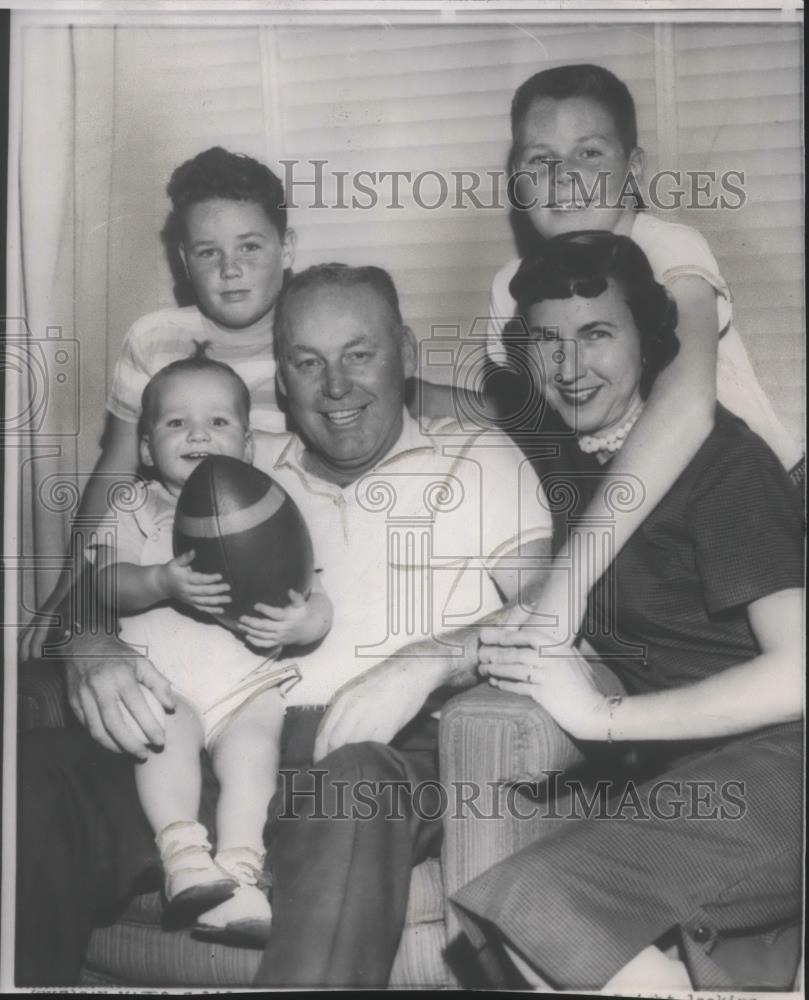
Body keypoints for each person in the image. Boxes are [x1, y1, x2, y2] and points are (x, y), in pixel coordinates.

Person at [17, 263, 553, 987]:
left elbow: (551, 615)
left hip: (386, 755)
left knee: (354, 782)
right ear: (281, 375)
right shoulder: (236, 463)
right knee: (33, 779)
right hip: (217, 739)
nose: (335, 386)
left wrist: (429, 659)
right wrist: (89, 643)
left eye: (359, 355)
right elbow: (107, 570)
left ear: (405, 353)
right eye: (307, 362)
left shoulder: (479, 457)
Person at [451, 232, 804, 992]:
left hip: (786, 769)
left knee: (535, 904)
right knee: (507, 914)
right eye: (546, 342)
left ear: (648, 342)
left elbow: (799, 675)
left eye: (597, 335)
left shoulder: (724, 464)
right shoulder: (569, 465)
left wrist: (601, 719)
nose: (571, 367)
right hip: (694, 776)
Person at [18, 146, 456, 663]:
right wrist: (67, 595)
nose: (231, 270)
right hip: (167, 552)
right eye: (208, 252)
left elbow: (388, 389)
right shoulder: (155, 337)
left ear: (286, 247)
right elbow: (116, 467)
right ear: (184, 260)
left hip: (278, 557)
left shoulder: (307, 333)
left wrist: (508, 405)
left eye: (249, 247)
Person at [483, 62, 803, 658]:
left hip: (758, 513)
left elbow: (685, 408)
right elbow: (522, 420)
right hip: (643, 535)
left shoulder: (668, 246)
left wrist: (566, 583)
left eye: (590, 155)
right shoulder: (511, 287)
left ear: (633, 172)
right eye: (540, 161)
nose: (565, 179)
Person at [90, 347, 332, 943]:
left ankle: (242, 872)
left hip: (246, 681)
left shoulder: (269, 504)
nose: (198, 433)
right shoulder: (134, 508)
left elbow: (315, 588)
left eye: (218, 422)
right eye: (176, 423)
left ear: (248, 445)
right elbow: (99, 584)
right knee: (162, 738)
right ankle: (183, 855)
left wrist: (305, 624)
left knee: (254, 761)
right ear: (146, 448)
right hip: (166, 683)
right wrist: (158, 581)